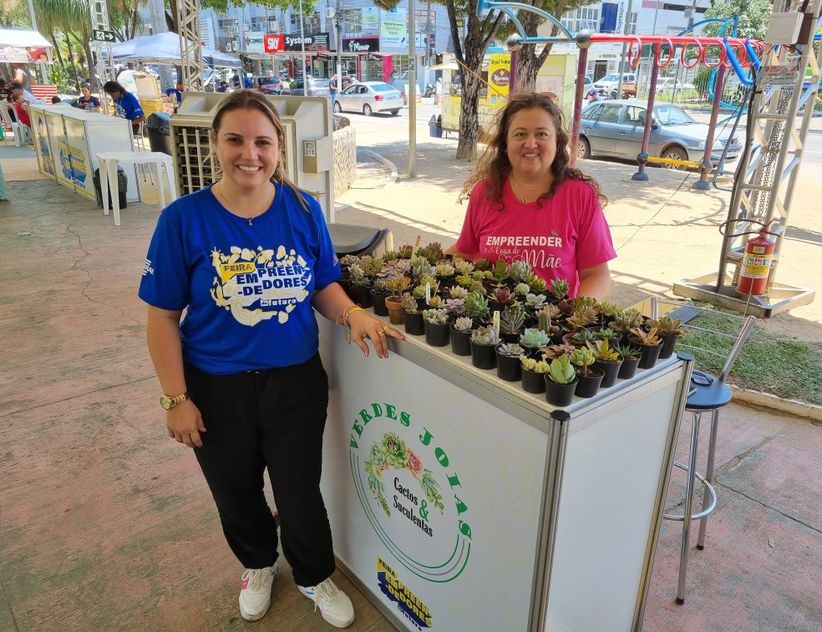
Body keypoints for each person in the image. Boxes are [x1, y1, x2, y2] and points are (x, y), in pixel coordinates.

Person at [138, 89, 404, 627]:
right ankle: (258, 564)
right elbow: (162, 316)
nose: (249, 154)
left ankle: (313, 575)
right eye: (235, 140)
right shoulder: (182, 220)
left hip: (294, 382)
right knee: (235, 491)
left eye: (262, 142)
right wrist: (176, 398)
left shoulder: (304, 209)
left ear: (278, 147)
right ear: (216, 143)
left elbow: (322, 283)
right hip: (215, 387)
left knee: (300, 491)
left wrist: (353, 315)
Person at [449, 92, 616, 299]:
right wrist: (414, 266)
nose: (530, 143)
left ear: (557, 141)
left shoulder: (579, 196)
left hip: (554, 326)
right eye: (520, 134)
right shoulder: (485, 192)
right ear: (506, 143)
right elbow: (464, 251)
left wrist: (573, 318)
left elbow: (596, 274)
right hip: (491, 324)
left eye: (541, 134)